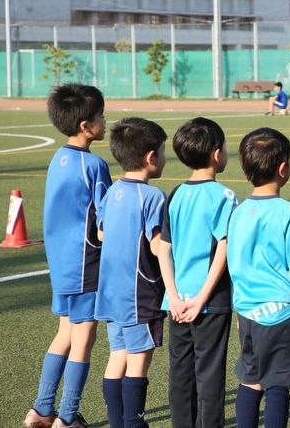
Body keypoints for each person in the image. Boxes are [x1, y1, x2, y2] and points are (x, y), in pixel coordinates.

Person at [24, 84, 111, 428]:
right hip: (85, 261)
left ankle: (42, 409)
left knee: (65, 332)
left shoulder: (57, 158)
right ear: (86, 126)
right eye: (101, 116)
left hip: (61, 263)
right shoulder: (94, 165)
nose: (105, 121)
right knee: (84, 336)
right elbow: (105, 222)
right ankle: (68, 416)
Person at [226, 127, 290, 428]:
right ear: (283, 169)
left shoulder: (238, 211)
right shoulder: (289, 212)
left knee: (251, 379)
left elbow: (235, 263)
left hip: (249, 311)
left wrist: (240, 308)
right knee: (277, 385)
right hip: (282, 312)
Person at [157, 118, 237, 427]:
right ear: (217, 153)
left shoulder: (175, 193)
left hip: (177, 304)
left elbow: (164, 249)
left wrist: (174, 297)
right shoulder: (224, 196)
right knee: (210, 375)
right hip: (210, 303)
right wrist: (202, 297)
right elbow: (224, 247)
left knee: (180, 374)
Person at [95, 117, 168, 428]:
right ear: (151, 157)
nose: (164, 157)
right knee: (138, 362)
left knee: (117, 356)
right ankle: (134, 423)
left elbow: (101, 233)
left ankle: (118, 422)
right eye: (163, 151)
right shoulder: (153, 197)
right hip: (139, 293)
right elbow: (157, 247)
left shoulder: (113, 191)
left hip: (110, 291)